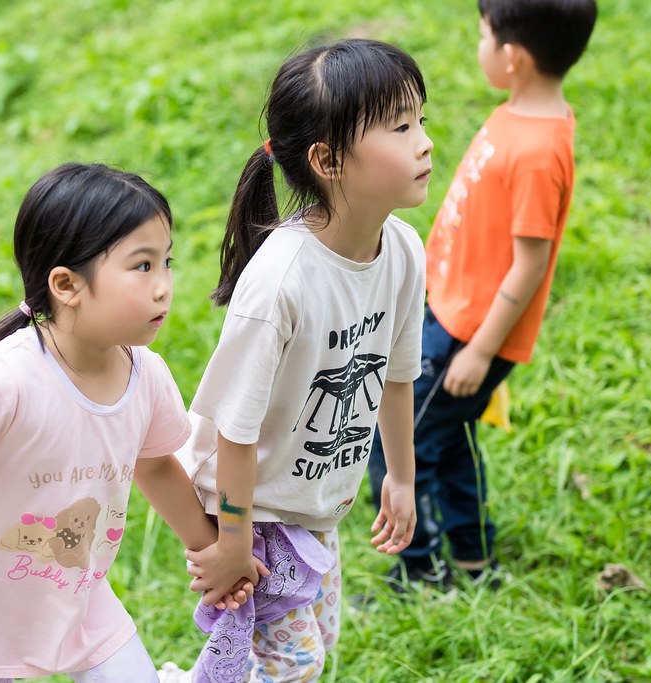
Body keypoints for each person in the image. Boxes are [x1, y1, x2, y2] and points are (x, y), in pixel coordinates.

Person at [0, 162, 254, 683]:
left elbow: (155, 469)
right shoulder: (7, 379)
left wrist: (215, 551)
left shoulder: (147, 374)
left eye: (166, 262)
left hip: (79, 599)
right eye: (142, 266)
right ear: (66, 284)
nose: (164, 287)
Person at [164, 39, 433, 682]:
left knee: (315, 645)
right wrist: (231, 544)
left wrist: (400, 476)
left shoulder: (401, 250)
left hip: (317, 505)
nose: (423, 141)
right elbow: (236, 428)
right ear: (327, 160)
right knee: (294, 663)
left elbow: (397, 376)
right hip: (255, 510)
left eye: (422, 120)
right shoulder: (282, 280)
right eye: (399, 127)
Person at [367, 0, 598, 594]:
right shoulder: (523, 114)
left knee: (396, 441)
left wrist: (477, 350)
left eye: (482, 35)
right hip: (450, 312)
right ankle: (472, 558)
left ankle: (420, 570)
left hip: (465, 334)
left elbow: (530, 266)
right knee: (449, 436)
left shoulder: (538, 151)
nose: (480, 45)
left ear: (512, 56)